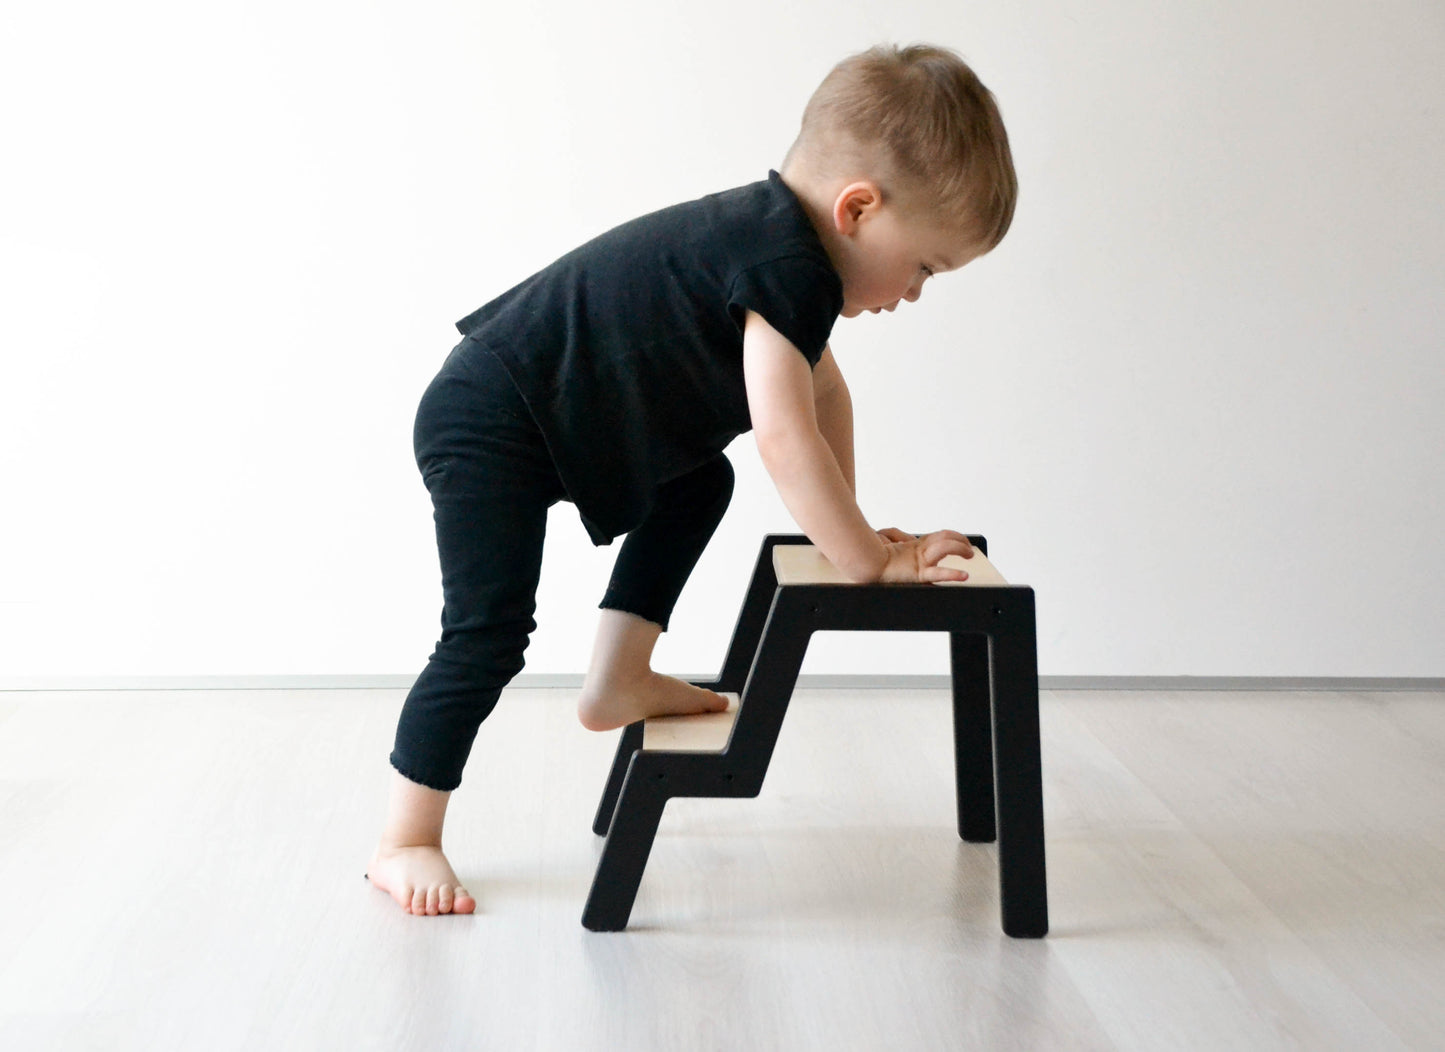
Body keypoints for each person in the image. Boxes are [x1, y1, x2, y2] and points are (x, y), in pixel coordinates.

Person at [367, 42, 1017, 915]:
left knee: (697, 481)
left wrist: (852, 535)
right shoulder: (784, 263)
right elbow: (786, 439)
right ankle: (405, 837)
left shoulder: (773, 247)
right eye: (926, 267)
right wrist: (867, 559)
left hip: (550, 411)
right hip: (496, 415)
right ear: (857, 209)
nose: (913, 292)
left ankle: (619, 680)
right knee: (486, 633)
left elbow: (824, 392)